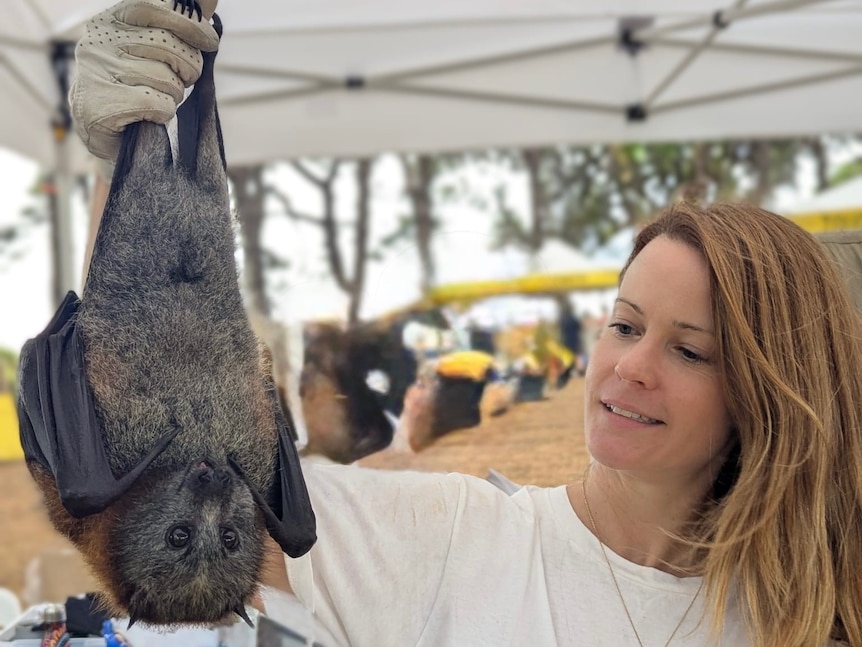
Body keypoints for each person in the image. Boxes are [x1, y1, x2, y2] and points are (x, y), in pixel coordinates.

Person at [69, 2, 861, 645]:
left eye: (689, 349)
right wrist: (129, 160)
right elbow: (161, 474)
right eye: (625, 325)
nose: (631, 366)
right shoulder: (452, 539)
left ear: (769, 390)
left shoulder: (808, 612)